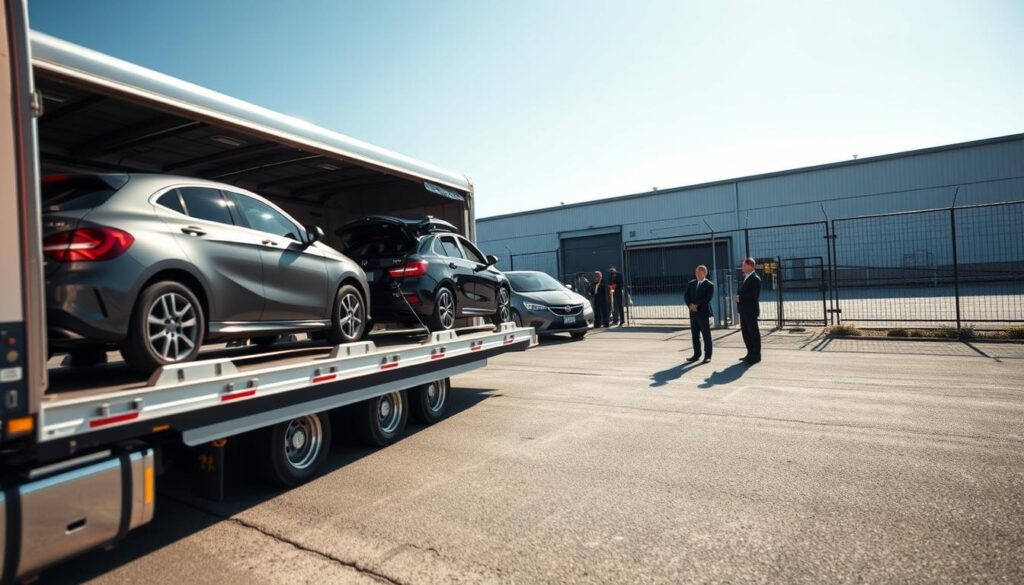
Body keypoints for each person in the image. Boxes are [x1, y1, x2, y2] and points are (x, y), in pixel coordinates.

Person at [684, 265, 714, 363]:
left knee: (706, 335)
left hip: (703, 313)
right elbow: (686, 295)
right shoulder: (691, 283)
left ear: (704, 273)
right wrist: (690, 305)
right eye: (696, 271)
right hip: (693, 313)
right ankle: (696, 355)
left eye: (699, 272)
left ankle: (707, 356)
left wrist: (696, 305)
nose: (696, 273)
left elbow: (707, 298)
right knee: (695, 335)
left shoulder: (709, 285)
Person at [734, 258, 762, 364]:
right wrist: (738, 297)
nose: (742, 267)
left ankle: (756, 355)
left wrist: (740, 298)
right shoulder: (746, 277)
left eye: (744, 265)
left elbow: (753, 295)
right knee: (746, 333)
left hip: (750, 310)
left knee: (753, 332)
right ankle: (750, 353)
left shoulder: (755, 278)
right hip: (744, 310)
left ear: (750, 266)